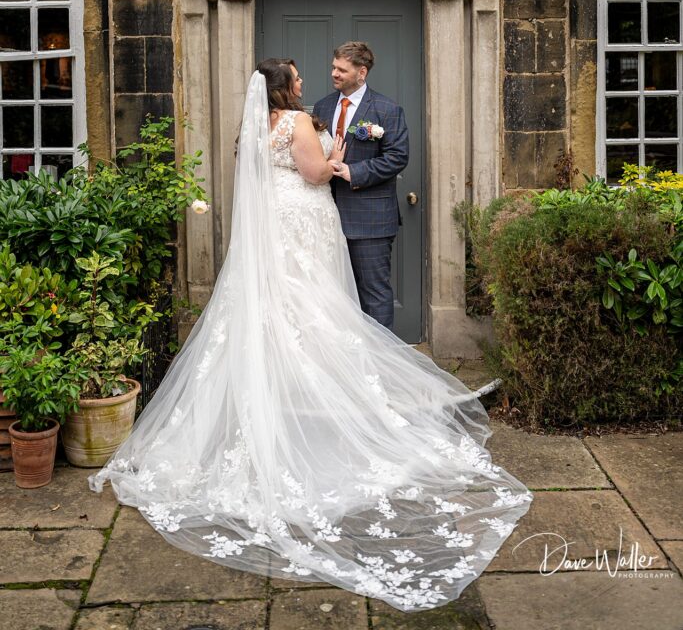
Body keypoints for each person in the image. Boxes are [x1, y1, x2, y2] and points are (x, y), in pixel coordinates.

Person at [89, 59, 532, 612]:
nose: (307, 83)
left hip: (276, 224)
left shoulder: (253, 124)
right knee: (312, 310)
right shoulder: (298, 121)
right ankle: (315, 401)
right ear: (283, 87)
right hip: (302, 219)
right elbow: (314, 175)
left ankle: (286, 395)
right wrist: (337, 158)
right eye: (297, 77)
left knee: (283, 312)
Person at [313, 42, 408, 330]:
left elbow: (397, 157)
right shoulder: (323, 106)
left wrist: (353, 171)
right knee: (334, 297)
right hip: (326, 217)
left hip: (370, 222)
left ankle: (381, 368)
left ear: (362, 72)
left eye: (342, 69)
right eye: (333, 67)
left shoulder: (386, 109)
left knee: (374, 296)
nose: (334, 73)